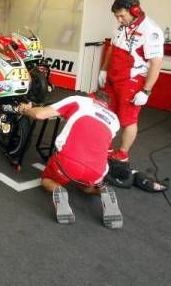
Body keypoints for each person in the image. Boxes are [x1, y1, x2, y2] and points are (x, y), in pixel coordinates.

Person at [18, 93, 123, 229]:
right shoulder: (114, 119)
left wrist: (25, 109)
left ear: (92, 97)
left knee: (47, 181)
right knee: (85, 187)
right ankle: (103, 191)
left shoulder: (79, 101)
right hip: (97, 170)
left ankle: (59, 190)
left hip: (68, 162)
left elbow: (40, 114)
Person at [98, 0, 164, 163]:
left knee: (128, 120)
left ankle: (122, 154)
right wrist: (104, 70)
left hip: (131, 82)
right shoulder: (122, 26)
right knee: (105, 113)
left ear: (134, 10)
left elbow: (156, 63)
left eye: (121, 15)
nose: (119, 20)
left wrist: (146, 91)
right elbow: (112, 48)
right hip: (113, 77)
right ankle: (104, 147)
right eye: (116, 16)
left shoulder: (151, 31)